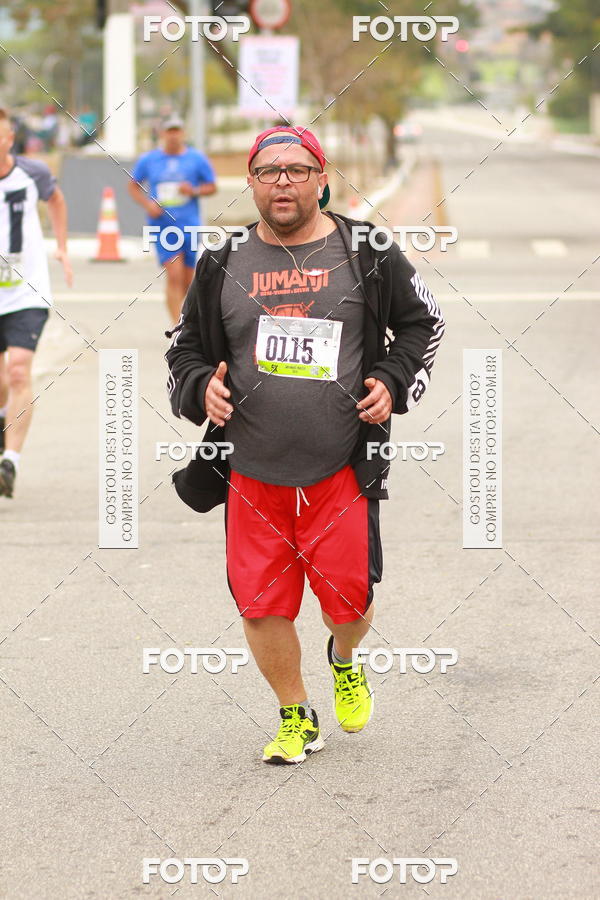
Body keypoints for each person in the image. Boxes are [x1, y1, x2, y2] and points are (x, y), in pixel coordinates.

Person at [165, 126, 445, 764]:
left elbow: (423, 323)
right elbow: (182, 347)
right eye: (268, 171)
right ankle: (296, 716)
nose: (282, 182)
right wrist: (200, 387)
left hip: (341, 464)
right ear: (252, 183)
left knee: (349, 604)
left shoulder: (366, 249)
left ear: (322, 178)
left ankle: (344, 657)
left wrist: (393, 380)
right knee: (260, 604)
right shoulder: (222, 261)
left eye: (296, 170)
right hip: (249, 468)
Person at [0, 107, 72, 498]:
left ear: (10, 139)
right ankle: (4, 421)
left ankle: (10, 461)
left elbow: (56, 200)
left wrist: (61, 247)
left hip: (26, 293)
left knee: (17, 371)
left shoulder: (33, 173)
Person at [128, 115, 217, 324]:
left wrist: (193, 190)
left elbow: (212, 186)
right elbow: (133, 186)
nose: (173, 135)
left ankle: (183, 318)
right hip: (163, 226)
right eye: (169, 131)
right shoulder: (149, 160)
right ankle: (177, 326)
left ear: (183, 133)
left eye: (177, 130)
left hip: (189, 224)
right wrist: (148, 205)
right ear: (162, 134)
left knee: (187, 279)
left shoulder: (196, 159)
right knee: (174, 273)